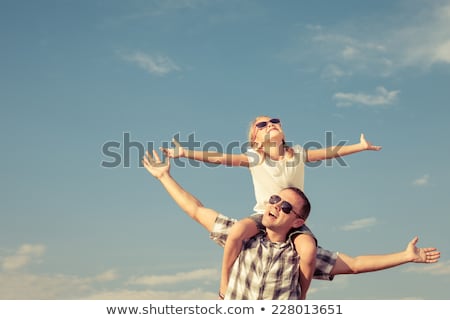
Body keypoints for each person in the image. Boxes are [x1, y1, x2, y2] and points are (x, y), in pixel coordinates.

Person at [142, 149, 440, 300]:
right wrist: (164, 177)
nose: (274, 206)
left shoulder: (301, 254)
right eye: (274, 199)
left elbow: (356, 263)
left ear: (298, 220)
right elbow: (196, 210)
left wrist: (406, 256)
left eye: (284, 207)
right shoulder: (243, 236)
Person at [161, 116, 382, 299]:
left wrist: (360, 147)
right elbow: (220, 158)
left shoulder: (297, 154)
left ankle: (301, 297)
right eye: (262, 124)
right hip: (262, 215)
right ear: (256, 141)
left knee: (308, 250)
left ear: (283, 135)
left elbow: (328, 153)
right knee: (236, 232)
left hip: (291, 218)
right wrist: (185, 153)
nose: (270, 124)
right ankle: (223, 285)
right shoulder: (254, 158)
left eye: (274, 121)